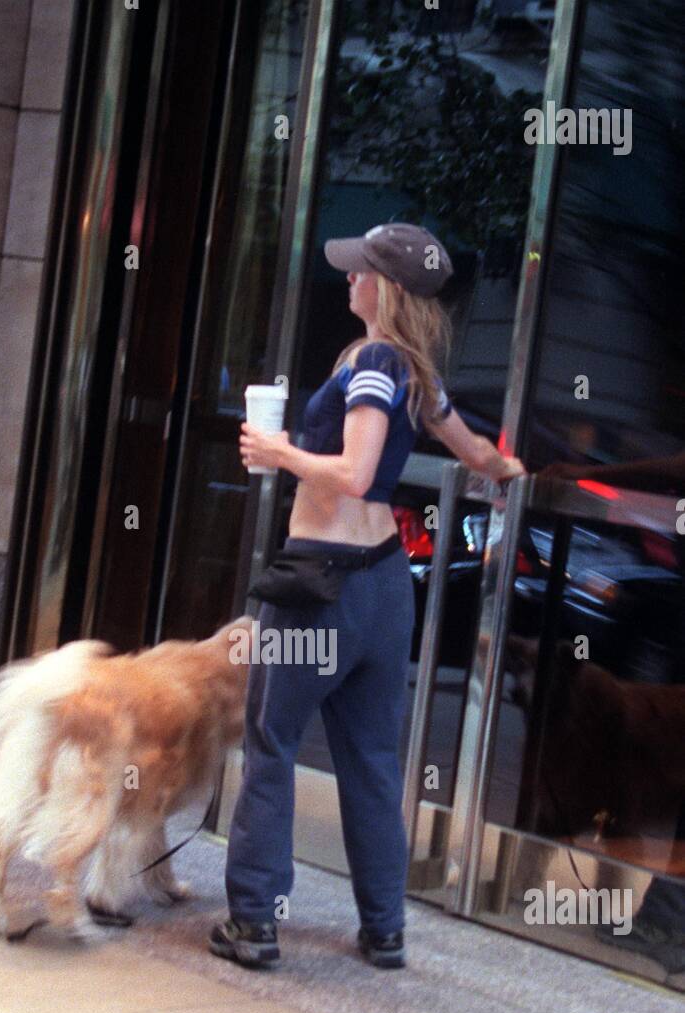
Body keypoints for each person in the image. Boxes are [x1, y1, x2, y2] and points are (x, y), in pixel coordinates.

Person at [209, 223, 525, 970]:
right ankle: (384, 928)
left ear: (382, 288)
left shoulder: (375, 363)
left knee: (271, 742)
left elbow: (353, 472)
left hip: (320, 586)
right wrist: (515, 470)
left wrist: (277, 450)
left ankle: (253, 923)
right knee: (373, 761)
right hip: (385, 590)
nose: (346, 278)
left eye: (357, 271)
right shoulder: (418, 372)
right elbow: (478, 455)